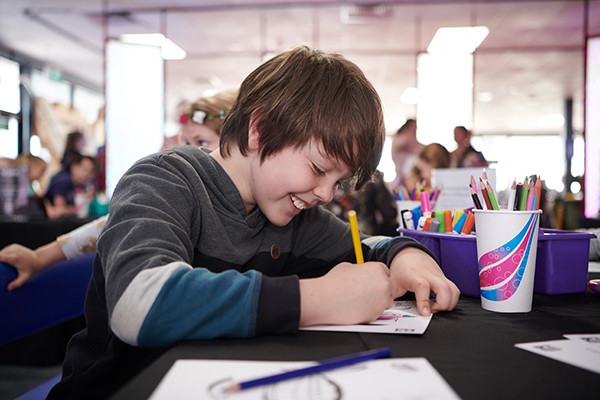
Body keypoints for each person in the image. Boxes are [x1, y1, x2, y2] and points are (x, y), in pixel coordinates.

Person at [46, 47, 459, 399]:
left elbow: (368, 246)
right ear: (259, 129)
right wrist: (313, 300)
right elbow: (139, 304)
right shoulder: (164, 180)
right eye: (318, 168)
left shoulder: (292, 213)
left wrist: (405, 255)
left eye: (338, 181)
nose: (326, 194)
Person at [0, 90, 238, 291]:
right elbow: (110, 223)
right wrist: (40, 258)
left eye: (202, 143)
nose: (190, 152)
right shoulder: (179, 192)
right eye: (186, 143)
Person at [43, 154, 96, 218]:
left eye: (90, 172)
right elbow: (59, 210)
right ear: (74, 167)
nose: (86, 174)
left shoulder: (83, 186)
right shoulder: (63, 181)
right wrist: (79, 209)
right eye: (84, 169)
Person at [391, 118, 424, 187]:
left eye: (416, 128)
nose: (414, 131)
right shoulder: (399, 139)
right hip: (401, 179)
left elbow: (423, 149)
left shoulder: (414, 143)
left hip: (412, 180)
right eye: (413, 128)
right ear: (407, 127)